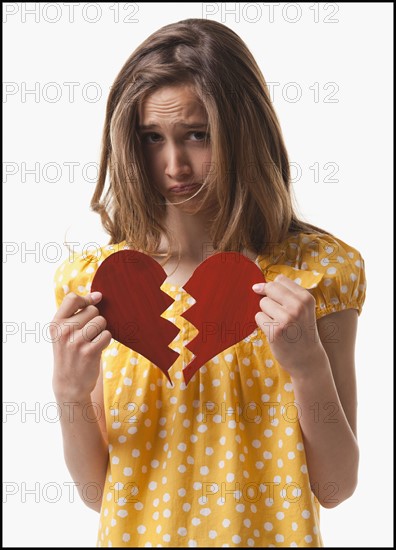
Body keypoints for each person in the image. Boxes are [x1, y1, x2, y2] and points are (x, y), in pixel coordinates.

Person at [50, 18, 367, 547]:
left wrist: (308, 365)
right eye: (152, 138)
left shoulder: (319, 275)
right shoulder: (98, 284)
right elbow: (99, 493)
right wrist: (68, 391)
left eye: (197, 135)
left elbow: (337, 486)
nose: (174, 165)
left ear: (245, 132)